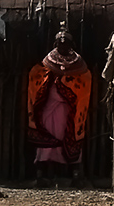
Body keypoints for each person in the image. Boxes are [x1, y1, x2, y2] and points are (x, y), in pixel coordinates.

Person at [27, 28, 91, 184]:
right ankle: (43, 172)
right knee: (48, 139)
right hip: (49, 109)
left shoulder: (78, 64)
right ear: (55, 44)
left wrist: (67, 90)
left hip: (69, 111)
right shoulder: (48, 62)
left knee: (69, 135)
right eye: (60, 43)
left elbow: (82, 84)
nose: (63, 46)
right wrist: (54, 85)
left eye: (66, 43)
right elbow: (39, 80)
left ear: (71, 45)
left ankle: (74, 174)